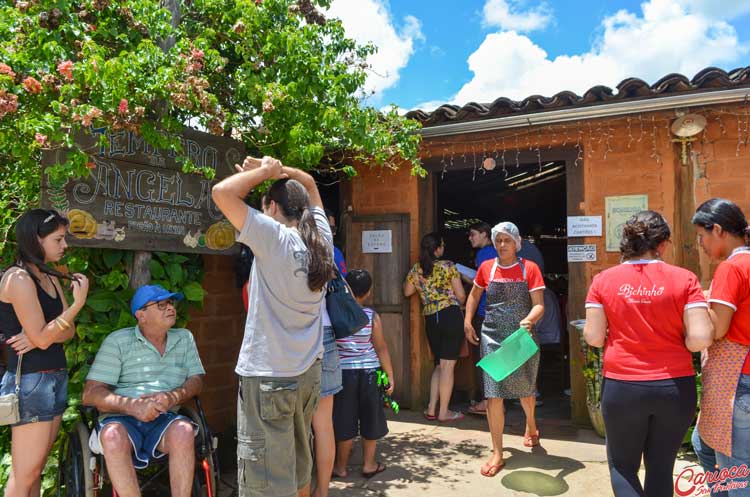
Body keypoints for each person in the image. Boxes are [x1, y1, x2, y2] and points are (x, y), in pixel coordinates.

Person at [212, 156, 336, 497]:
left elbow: (222, 193)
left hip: (269, 375)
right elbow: (310, 184)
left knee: (265, 483)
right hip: (307, 373)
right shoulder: (321, 240)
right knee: (298, 467)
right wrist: (282, 174)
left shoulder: (274, 237)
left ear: (272, 207)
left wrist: (264, 172)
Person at [583, 210, 713, 497]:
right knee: (660, 467)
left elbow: (593, 337)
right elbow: (700, 339)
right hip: (675, 387)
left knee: (623, 467)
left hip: (623, 386)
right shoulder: (685, 279)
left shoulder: (603, 281)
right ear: (663, 244)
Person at [81, 284, 205, 497]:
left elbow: (196, 380)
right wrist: (132, 407)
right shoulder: (118, 341)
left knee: (184, 431)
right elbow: (90, 394)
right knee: (112, 437)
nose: (170, 308)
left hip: (166, 417)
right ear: (141, 315)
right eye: (161, 304)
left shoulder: (184, 338)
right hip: (121, 420)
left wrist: (173, 396)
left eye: (171, 302)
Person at [0, 209, 89, 497]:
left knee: (35, 469)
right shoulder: (19, 279)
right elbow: (43, 335)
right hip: (30, 381)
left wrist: (45, 333)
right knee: (25, 474)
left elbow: (67, 331)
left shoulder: (50, 277)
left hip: (54, 376)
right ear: (36, 240)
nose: (65, 246)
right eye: (58, 239)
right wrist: (77, 304)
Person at [463, 222, 545, 477]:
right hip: (492, 336)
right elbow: (475, 295)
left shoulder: (529, 269)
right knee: (493, 393)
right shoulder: (487, 267)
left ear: (516, 243)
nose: (501, 245)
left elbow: (539, 305)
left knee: (525, 391)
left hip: (521, 337)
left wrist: (529, 320)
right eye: (498, 240)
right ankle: (497, 451)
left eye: (506, 240)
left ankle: (531, 426)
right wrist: (467, 320)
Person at [691, 198, 750, 497]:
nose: (700, 245)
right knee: (704, 445)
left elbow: (717, 328)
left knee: (736, 472)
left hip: (738, 381)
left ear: (718, 230)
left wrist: (694, 308)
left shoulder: (731, 268)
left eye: (702, 237)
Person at [332, 269, 394, 480]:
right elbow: (381, 347)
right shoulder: (370, 316)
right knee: (371, 417)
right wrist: (390, 376)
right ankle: (369, 464)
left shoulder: (335, 314)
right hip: (370, 372)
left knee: (344, 419)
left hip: (344, 374)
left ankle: (340, 467)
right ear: (367, 292)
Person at [404, 232, 466, 423]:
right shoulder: (448, 266)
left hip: (431, 318)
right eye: (442, 245)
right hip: (449, 315)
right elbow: (461, 296)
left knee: (439, 364)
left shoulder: (417, 269)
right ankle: (444, 412)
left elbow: (407, 292)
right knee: (448, 366)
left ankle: (432, 409)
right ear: (437, 248)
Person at [465, 222, 496, 416]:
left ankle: (486, 401)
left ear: (484, 235)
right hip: (498, 311)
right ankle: (495, 399)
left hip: (484, 310)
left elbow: (480, 284)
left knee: (484, 357)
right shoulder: (497, 253)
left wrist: (460, 274)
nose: (470, 238)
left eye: (473, 234)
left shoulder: (483, 254)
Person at [325, 208, 347, 277]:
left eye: (335, 229)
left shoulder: (336, 252)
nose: (334, 233)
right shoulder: (335, 252)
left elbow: (344, 276)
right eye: (332, 229)